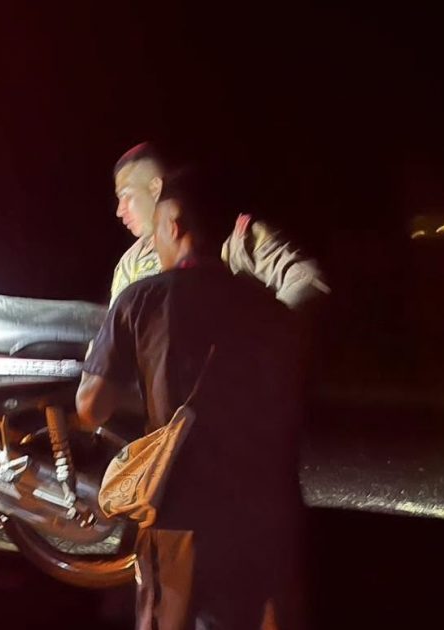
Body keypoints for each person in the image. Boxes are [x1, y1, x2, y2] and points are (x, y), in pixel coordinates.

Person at [77, 171, 307, 629]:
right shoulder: (268, 306)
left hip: (181, 516)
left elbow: (91, 408)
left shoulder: (140, 300)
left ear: (173, 225)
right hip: (265, 516)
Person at [108, 143, 329, 311]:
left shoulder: (234, 240)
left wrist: (259, 338)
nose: (120, 210)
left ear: (155, 188)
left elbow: (307, 281)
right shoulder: (128, 264)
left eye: (126, 195)